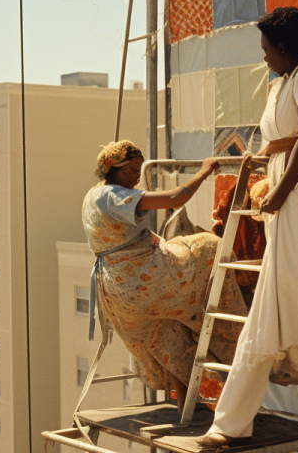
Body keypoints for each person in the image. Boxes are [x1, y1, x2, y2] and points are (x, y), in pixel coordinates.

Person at [197, 7, 298, 447]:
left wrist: (282, 190)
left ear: (284, 48)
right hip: (296, 181)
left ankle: (231, 422)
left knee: (281, 288)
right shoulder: (289, 80)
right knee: (293, 280)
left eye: (266, 50)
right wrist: (273, 171)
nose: (264, 58)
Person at [82, 141, 247, 414]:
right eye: (132, 170)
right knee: (208, 246)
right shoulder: (114, 195)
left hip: (115, 289)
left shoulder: (93, 195)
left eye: (138, 169)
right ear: (115, 171)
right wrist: (204, 171)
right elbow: (175, 199)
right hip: (141, 280)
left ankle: (186, 406)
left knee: (171, 334)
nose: (137, 176)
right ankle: (236, 333)